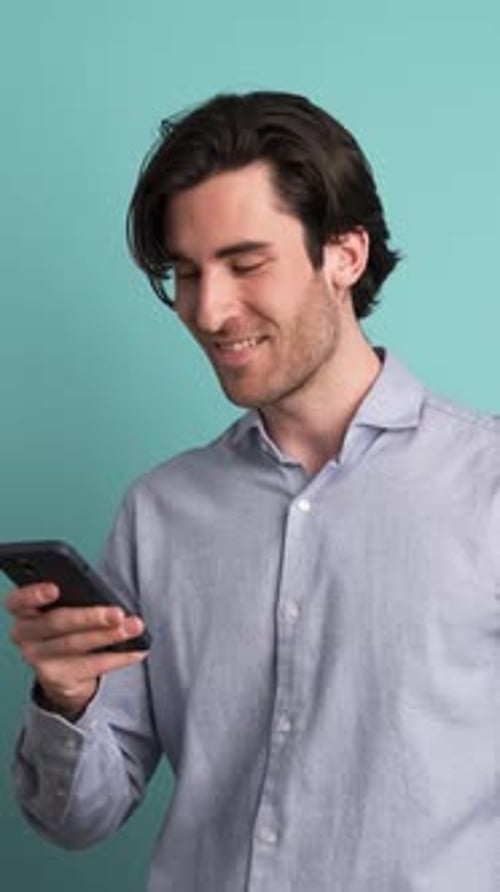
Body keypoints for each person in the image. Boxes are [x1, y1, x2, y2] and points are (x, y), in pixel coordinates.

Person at [6, 91, 500, 892]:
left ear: (344, 254)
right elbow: (76, 819)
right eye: (186, 272)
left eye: (244, 264)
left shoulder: (486, 486)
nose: (208, 309)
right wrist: (67, 697)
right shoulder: (159, 513)